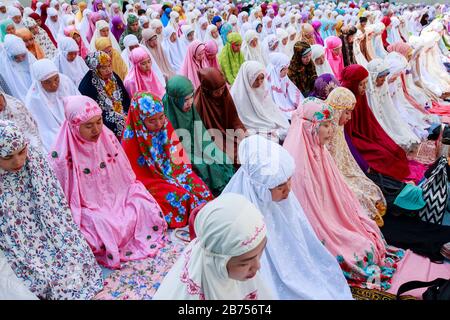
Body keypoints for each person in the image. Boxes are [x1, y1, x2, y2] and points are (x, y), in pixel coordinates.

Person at [283, 98, 405, 290]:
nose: (331, 131)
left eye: (331, 125)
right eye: (325, 125)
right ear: (308, 127)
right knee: (357, 252)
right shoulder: (296, 165)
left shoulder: (320, 151)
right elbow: (309, 211)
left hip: (331, 219)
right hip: (319, 225)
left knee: (368, 238)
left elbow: (338, 193)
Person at [223, 134, 353, 300]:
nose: (288, 190)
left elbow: (298, 237)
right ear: (259, 187)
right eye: (279, 186)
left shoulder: (286, 200)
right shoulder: (239, 212)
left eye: (289, 180)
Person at [49, 95, 167, 270]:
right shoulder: (61, 155)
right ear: (74, 126)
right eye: (88, 126)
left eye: (99, 122)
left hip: (118, 197)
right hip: (89, 207)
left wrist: (122, 197)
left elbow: (125, 176)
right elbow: (65, 201)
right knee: (98, 228)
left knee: (142, 203)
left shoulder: (107, 137)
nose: (97, 129)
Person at [0, 120, 103, 299]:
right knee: (41, 280)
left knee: (78, 262)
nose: (18, 161)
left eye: (21, 152)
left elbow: (56, 206)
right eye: (7, 157)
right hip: (19, 243)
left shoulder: (35, 160)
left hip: (52, 227)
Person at [153, 193, 273, 300]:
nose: (258, 266)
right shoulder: (190, 294)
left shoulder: (242, 266)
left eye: (260, 253)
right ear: (218, 261)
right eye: (244, 263)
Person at [121, 92, 213, 228]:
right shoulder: (130, 140)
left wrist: (181, 174)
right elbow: (135, 176)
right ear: (139, 120)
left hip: (174, 170)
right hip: (150, 180)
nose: (159, 124)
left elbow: (178, 157)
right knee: (179, 197)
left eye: (161, 117)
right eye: (152, 120)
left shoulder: (165, 125)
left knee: (200, 189)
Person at [162, 75, 235, 195]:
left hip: (197, 143)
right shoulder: (166, 113)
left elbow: (199, 131)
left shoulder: (189, 108)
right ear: (175, 100)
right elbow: (171, 145)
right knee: (203, 165)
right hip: (180, 152)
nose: (190, 103)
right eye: (185, 100)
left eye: (191, 97)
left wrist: (206, 148)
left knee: (220, 157)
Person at [326, 87, 387, 227]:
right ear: (338, 111)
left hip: (342, 173)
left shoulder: (339, 128)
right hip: (332, 178)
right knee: (358, 196)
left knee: (369, 187)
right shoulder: (326, 130)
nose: (350, 117)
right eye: (347, 113)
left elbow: (345, 157)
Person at [341, 64, 410, 180]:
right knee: (381, 155)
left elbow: (368, 121)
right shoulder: (345, 99)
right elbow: (347, 133)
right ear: (353, 84)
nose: (364, 88)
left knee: (393, 149)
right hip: (354, 140)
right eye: (361, 84)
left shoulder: (361, 96)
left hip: (365, 135)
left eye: (366, 83)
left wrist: (378, 137)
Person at [365, 58, 423, 151]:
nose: (384, 80)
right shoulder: (368, 91)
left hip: (384, 119)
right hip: (374, 124)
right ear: (373, 76)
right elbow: (374, 115)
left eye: (385, 76)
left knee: (403, 133)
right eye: (380, 77)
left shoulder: (384, 86)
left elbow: (390, 110)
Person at [25, 59, 80, 152]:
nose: (54, 85)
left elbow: (80, 104)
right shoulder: (33, 99)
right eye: (47, 82)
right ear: (39, 82)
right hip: (54, 135)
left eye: (56, 79)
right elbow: (42, 130)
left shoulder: (65, 81)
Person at [231, 61, 290, 141]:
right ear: (247, 77)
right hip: (251, 125)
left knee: (286, 128)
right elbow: (242, 119)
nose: (259, 82)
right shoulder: (237, 95)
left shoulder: (263, 86)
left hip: (265, 121)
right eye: (255, 79)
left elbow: (270, 108)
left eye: (262, 78)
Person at [78, 51, 130, 140]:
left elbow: (125, 98)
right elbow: (92, 112)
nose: (109, 70)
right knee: (121, 122)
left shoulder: (113, 77)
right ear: (95, 68)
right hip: (102, 119)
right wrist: (119, 116)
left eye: (109, 65)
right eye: (103, 67)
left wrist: (127, 112)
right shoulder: (87, 86)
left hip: (121, 111)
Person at [266, 52, 303, 121]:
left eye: (287, 68)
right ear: (276, 68)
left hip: (287, 104)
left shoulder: (284, 77)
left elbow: (293, 91)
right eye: (284, 69)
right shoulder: (269, 82)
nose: (286, 71)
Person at [0, 34, 36, 102]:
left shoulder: (30, 59)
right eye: (16, 57)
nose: (21, 59)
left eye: (23, 56)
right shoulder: (4, 68)